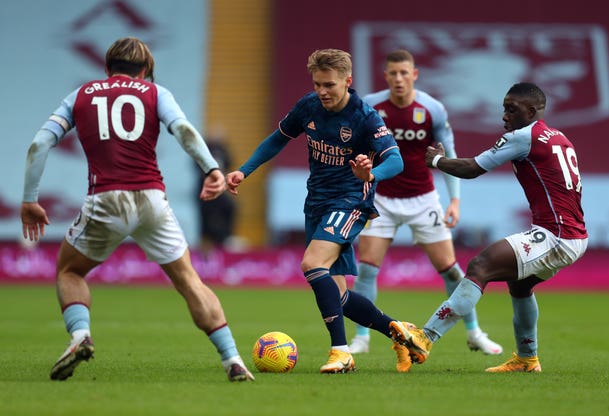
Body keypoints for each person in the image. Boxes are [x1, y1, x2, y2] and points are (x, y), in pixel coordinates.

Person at [20, 37, 254, 382]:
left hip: (105, 199)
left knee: (69, 271)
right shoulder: (155, 93)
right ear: (145, 70)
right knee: (190, 281)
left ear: (106, 68)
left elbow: (40, 142)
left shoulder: (81, 95)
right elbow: (184, 130)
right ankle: (233, 359)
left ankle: (81, 336)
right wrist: (212, 169)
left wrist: (29, 199)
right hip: (151, 199)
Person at [227, 48, 417, 374]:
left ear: (348, 81)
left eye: (329, 85)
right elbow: (278, 139)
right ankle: (400, 333)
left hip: (350, 203)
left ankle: (341, 352)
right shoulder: (309, 106)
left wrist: (371, 174)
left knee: (313, 265)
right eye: (317, 84)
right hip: (316, 202)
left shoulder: (365, 117)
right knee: (339, 295)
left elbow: (396, 160)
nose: (322, 92)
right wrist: (244, 170)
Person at [390, 82, 588, 372]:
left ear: (532, 111)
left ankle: (424, 337)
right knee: (520, 286)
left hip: (556, 235)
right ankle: (526, 359)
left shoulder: (523, 137)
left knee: (481, 266)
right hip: (571, 234)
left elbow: (472, 168)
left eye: (512, 110)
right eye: (504, 109)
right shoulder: (558, 136)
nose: (504, 117)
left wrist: (437, 160)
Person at [349, 49, 503, 365]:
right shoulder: (371, 106)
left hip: (423, 199)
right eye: (393, 73)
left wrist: (455, 200)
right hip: (380, 198)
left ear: (414, 74)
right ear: (386, 76)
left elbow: (448, 152)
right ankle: (361, 338)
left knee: (451, 271)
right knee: (366, 268)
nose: (399, 79)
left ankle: (474, 333)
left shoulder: (432, 109)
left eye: (404, 73)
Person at [195, 127, 237, 253]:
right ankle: (205, 244)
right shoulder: (203, 150)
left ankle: (226, 238)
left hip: (220, 188)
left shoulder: (223, 150)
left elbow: (230, 163)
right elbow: (196, 166)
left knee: (229, 207)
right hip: (205, 189)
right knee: (206, 218)